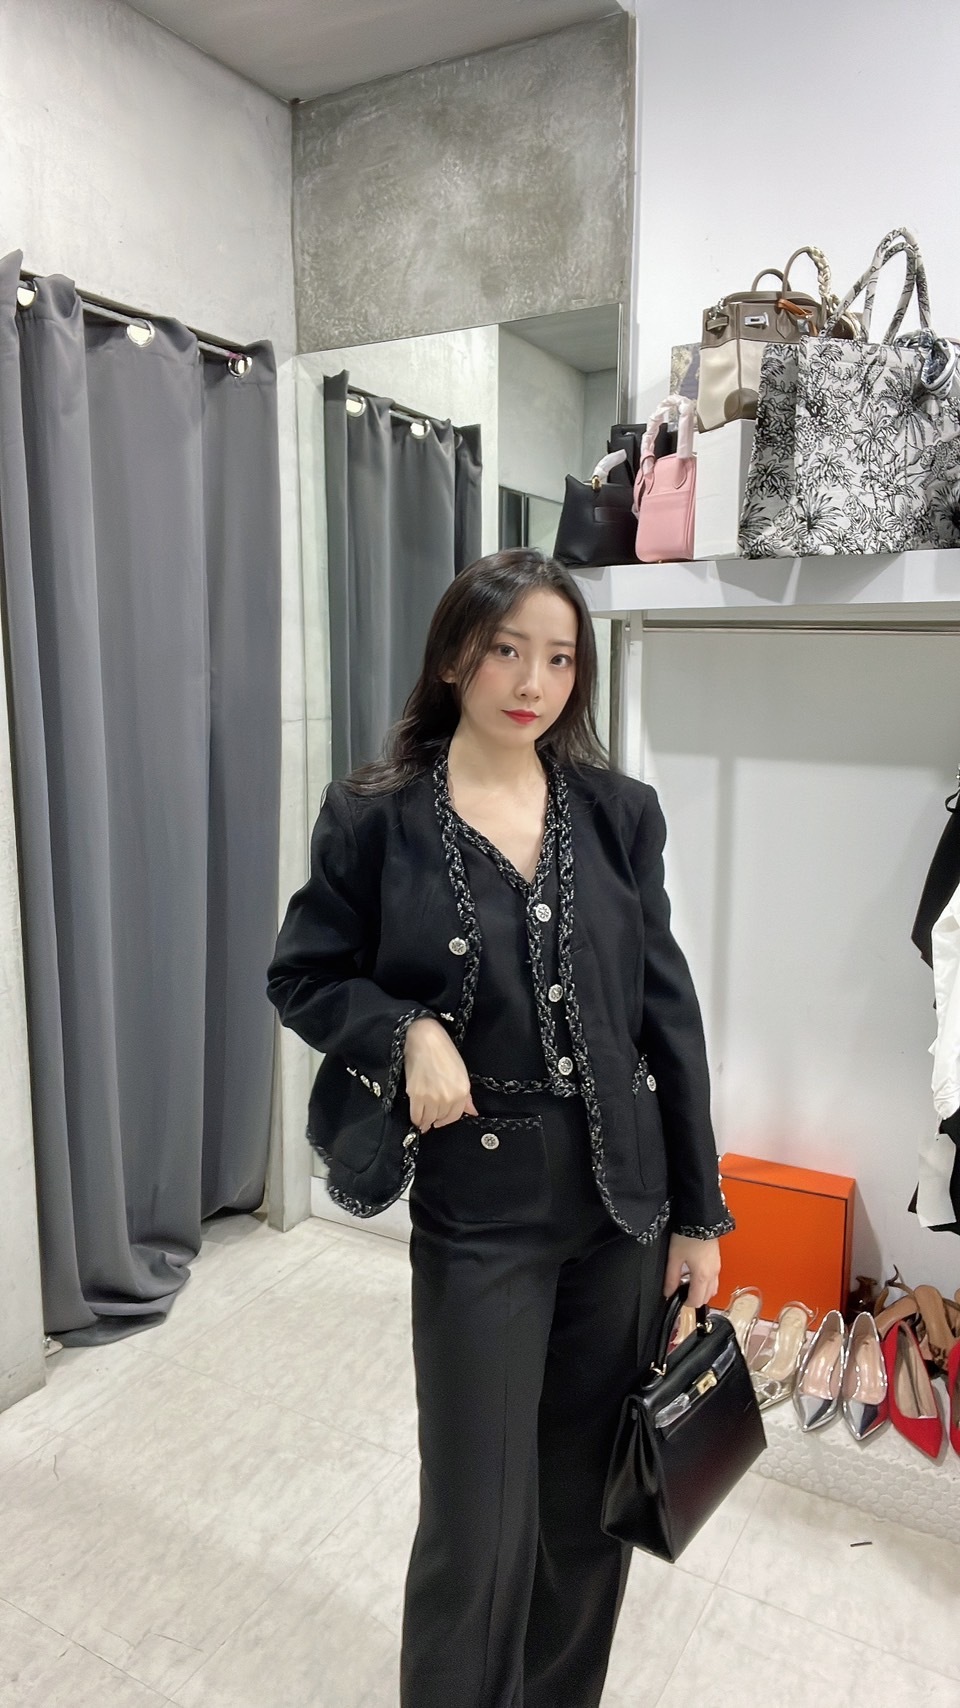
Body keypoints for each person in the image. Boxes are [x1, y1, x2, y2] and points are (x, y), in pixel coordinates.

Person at [267, 548, 733, 1708]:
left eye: (561, 657)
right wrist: (406, 1031)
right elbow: (303, 974)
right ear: (454, 656)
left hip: (622, 1208)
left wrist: (699, 1212)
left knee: (584, 1513)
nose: (534, 681)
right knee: (475, 1526)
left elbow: (667, 1017)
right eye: (507, 649)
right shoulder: (375, 816)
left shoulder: (620, 814)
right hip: (481, 1212)